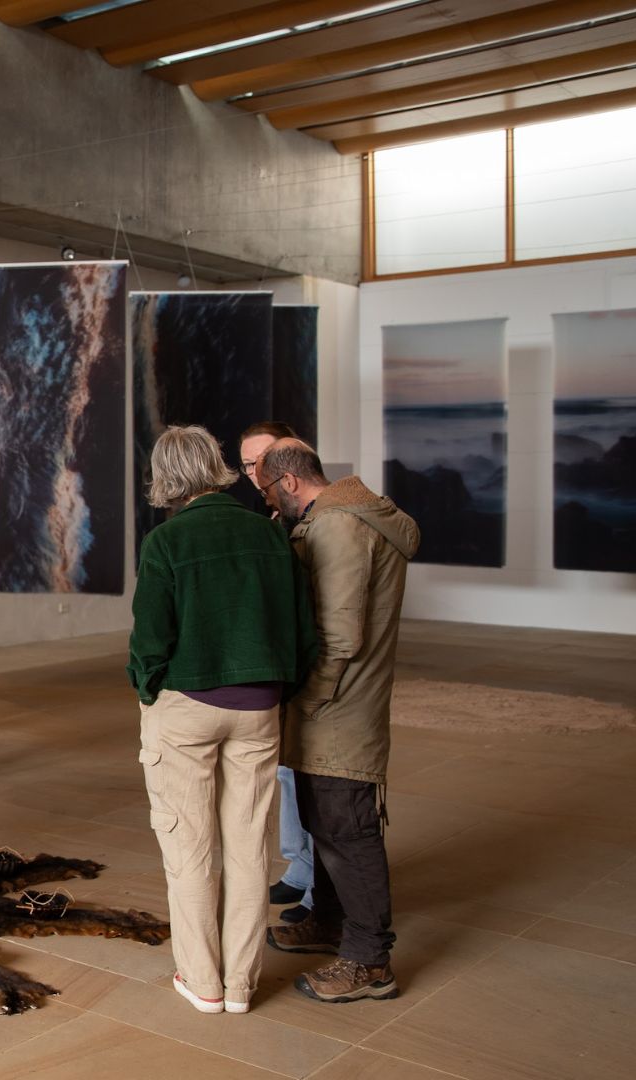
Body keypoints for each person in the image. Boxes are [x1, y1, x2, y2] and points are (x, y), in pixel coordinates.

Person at [127, 425, 317, 1015]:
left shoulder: (167, 542)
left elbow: (149, 642)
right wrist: (275, 689)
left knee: (190, 850)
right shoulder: (269, 535)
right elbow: (304, 634)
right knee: (247, 848)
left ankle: (203, 982)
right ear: (216, 467)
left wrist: (148, 687)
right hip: (259, 710)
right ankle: (240, 987)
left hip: (186, 708)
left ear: (165, 478)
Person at [256, 438, 418, 1004]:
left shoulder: (338, 528)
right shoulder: (348, 519)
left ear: (292, 481)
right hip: (343, 707)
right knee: (326, 822)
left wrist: (306, 700)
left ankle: (369, 961)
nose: (272, 507)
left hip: (339, 711)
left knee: (348, 831)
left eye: (271, 493)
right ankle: (327, 921)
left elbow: (341, 636)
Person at [239, 421, 315, 920]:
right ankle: (300, 869)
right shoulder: (272, 515)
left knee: (313, 779)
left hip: (313, 668)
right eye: (247, 464)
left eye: (263, 460)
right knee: (286, 773)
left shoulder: (313, 517)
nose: (256, 472)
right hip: (285, 668)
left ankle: (317, 890)